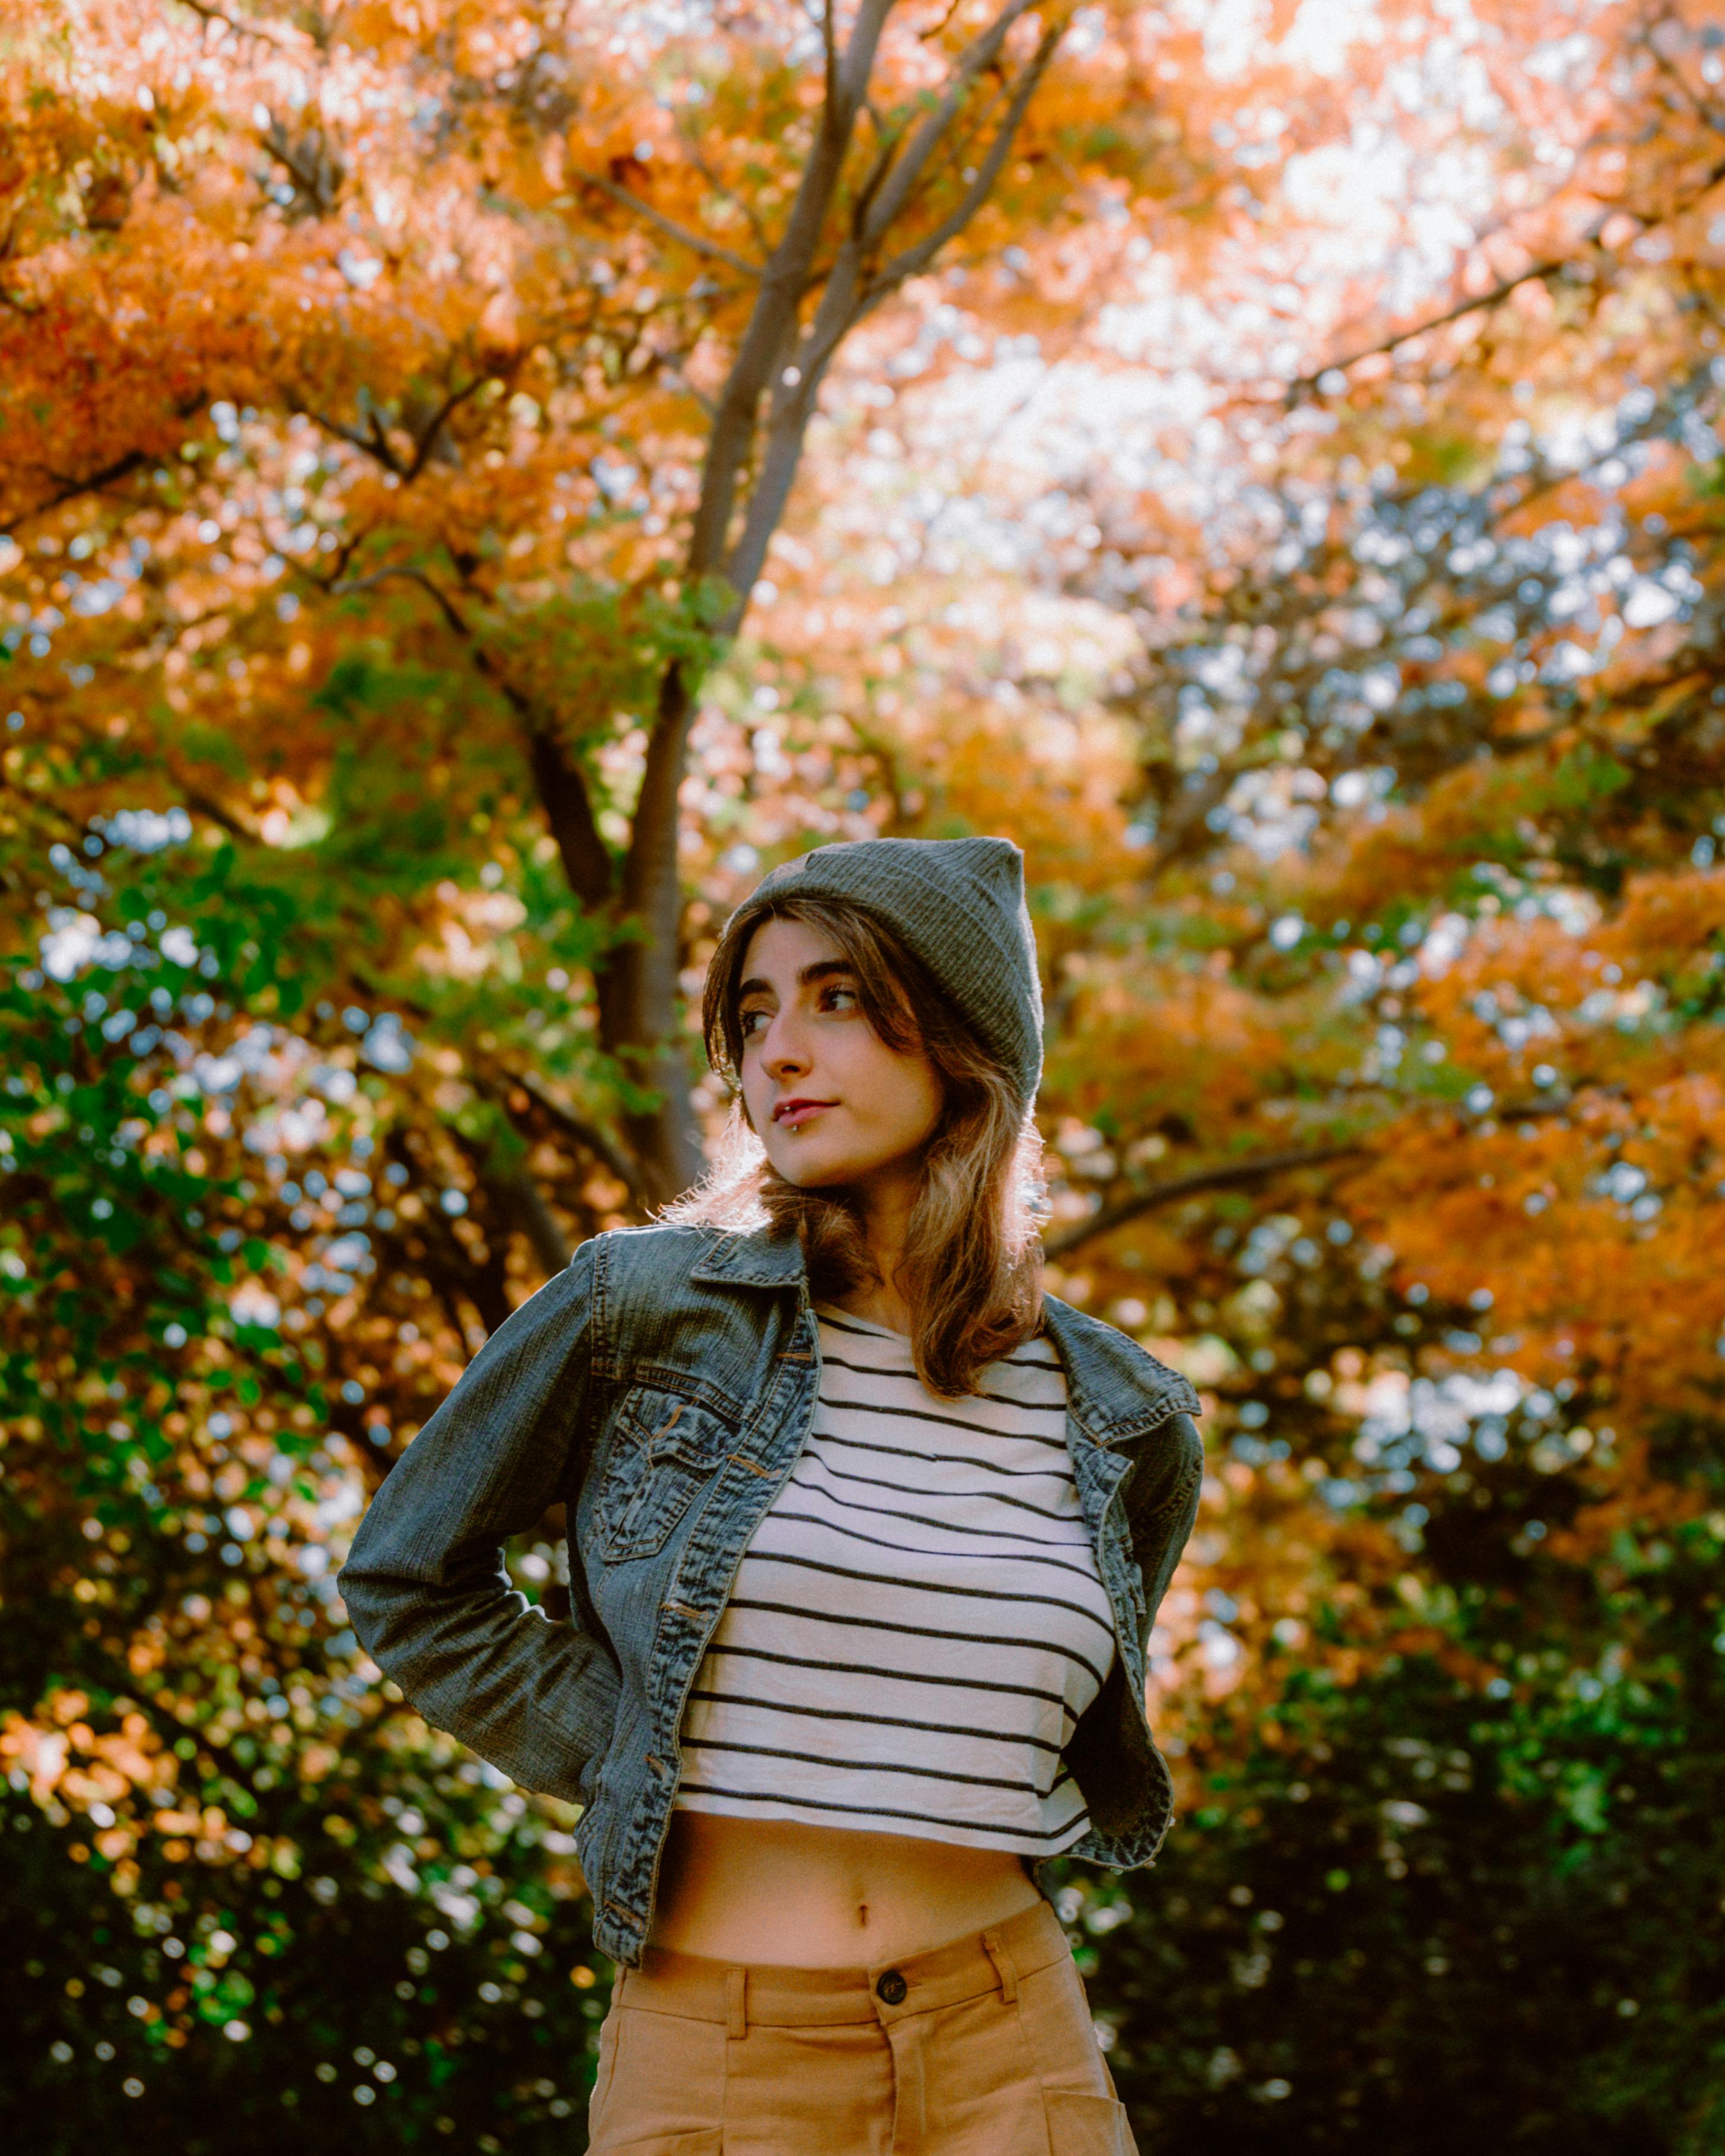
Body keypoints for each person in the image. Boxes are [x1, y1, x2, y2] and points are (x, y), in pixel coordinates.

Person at [341, 836, 1203, 2155]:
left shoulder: (1122, 1412)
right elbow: (408, 1575)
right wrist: (635, 1740)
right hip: (718, 2053)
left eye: (836, 997)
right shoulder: (639, 1308)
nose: (777, 1050)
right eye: (754, 1012)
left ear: (967, 1038)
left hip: (1008, 2035)